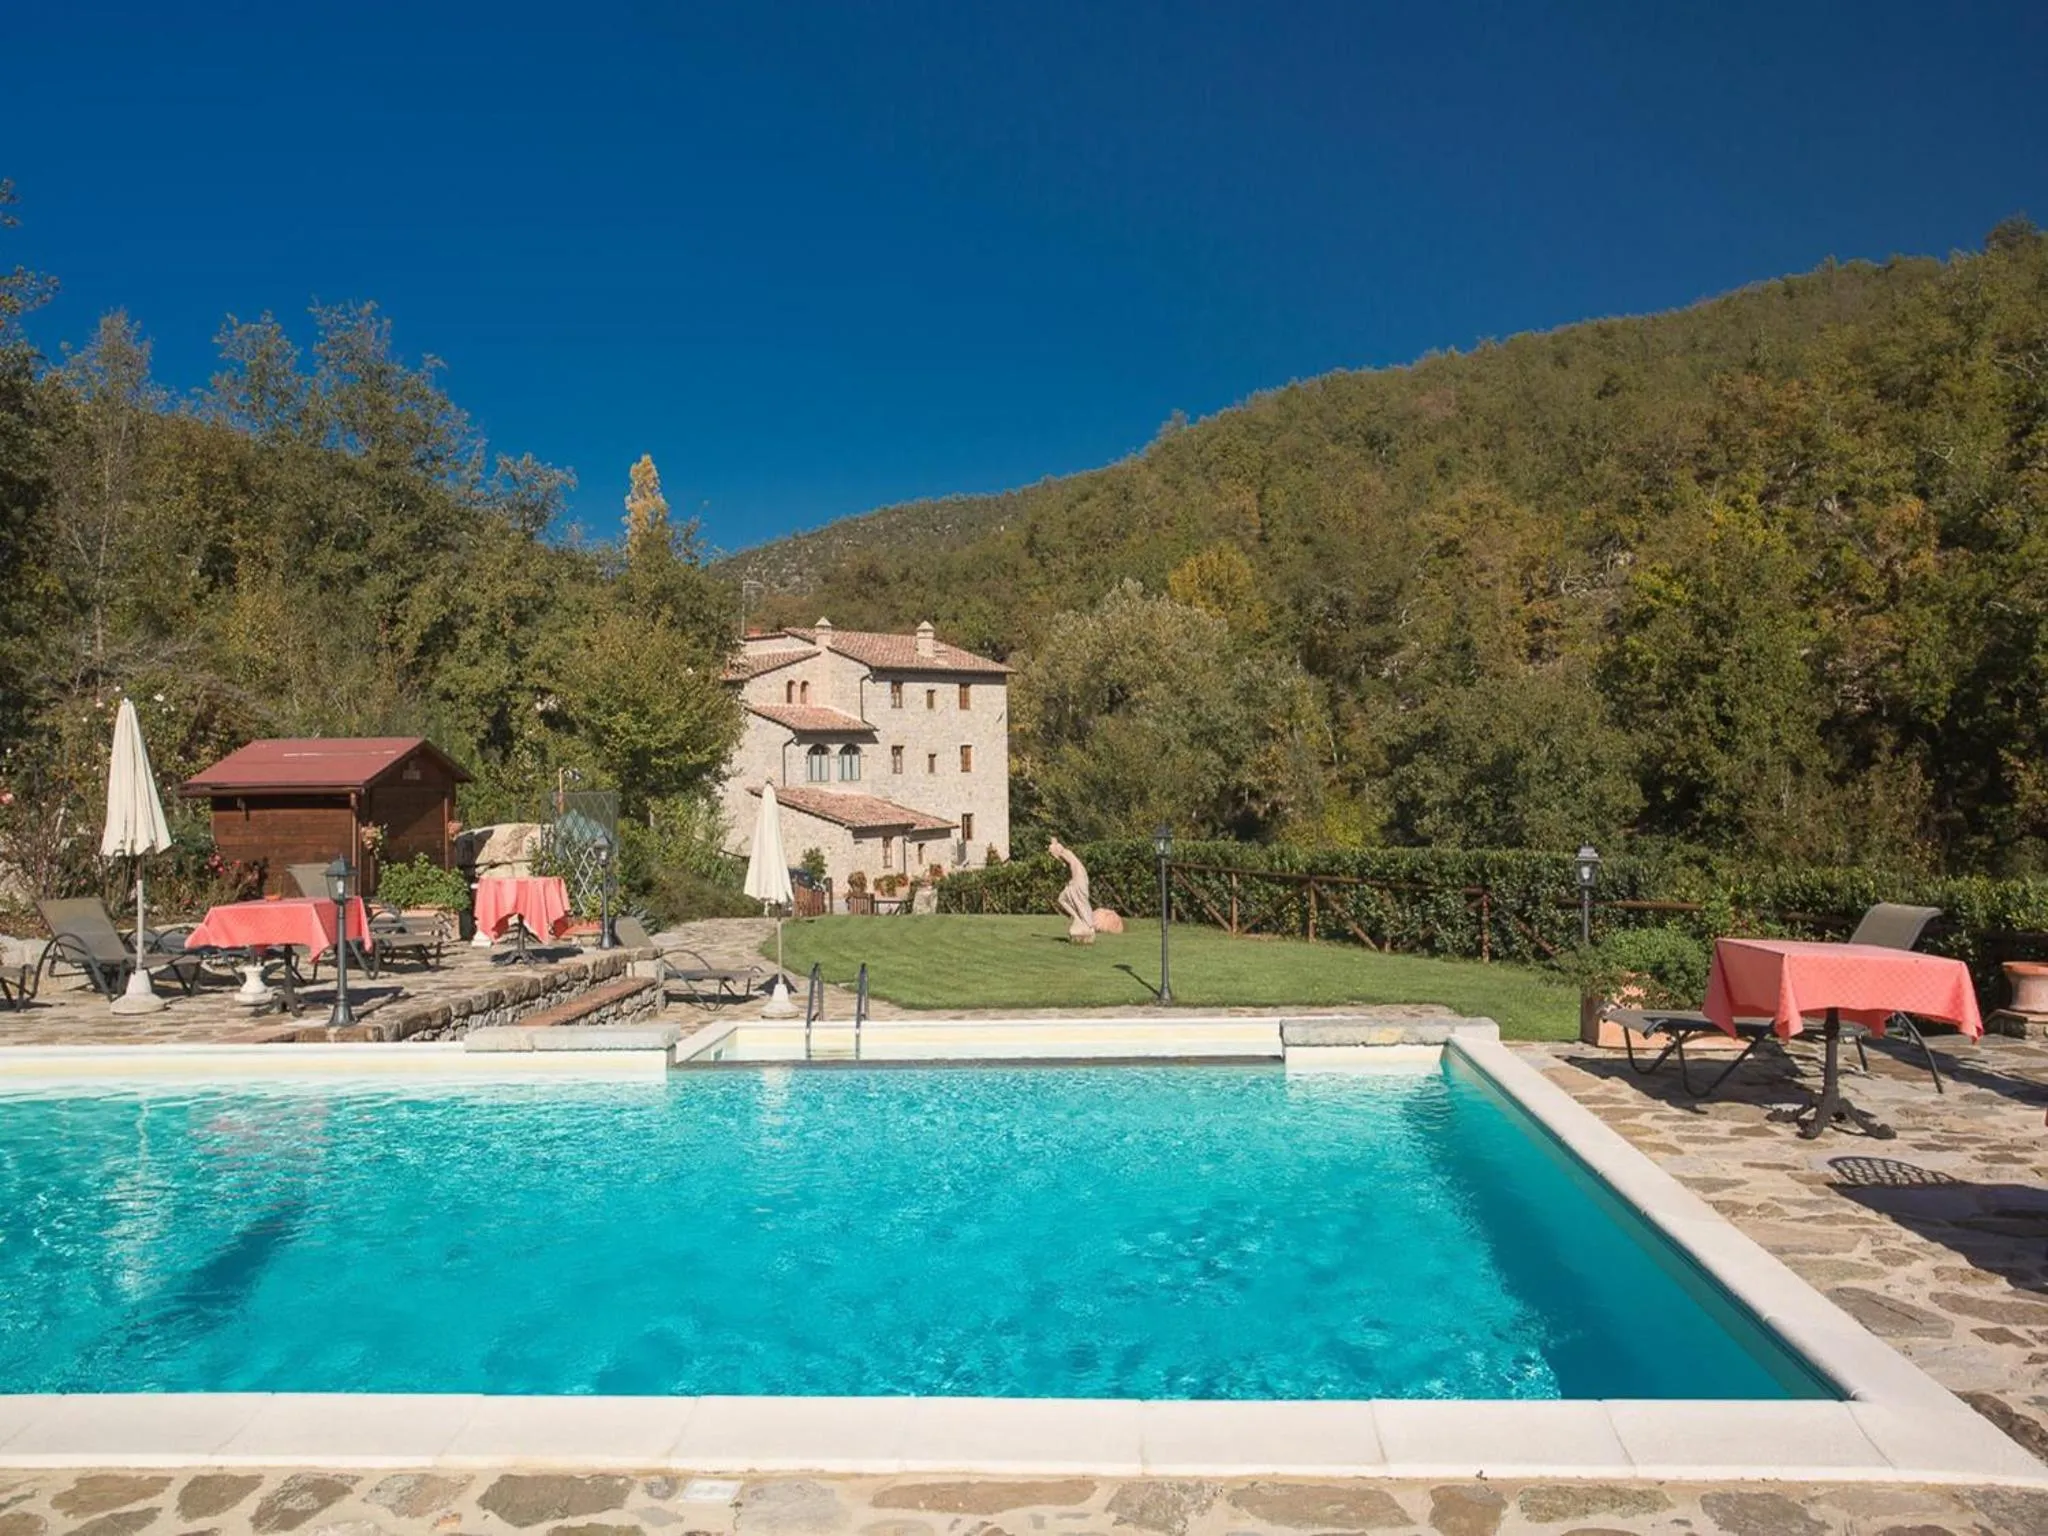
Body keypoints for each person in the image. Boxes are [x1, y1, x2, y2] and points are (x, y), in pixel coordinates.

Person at [1047, 837, 1095, 940]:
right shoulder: (1064, 854)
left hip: (1078, 879)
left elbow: (1073, 864)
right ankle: (1078, 918)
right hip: (1078, 878)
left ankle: (1087, 924)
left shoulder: (1064, 853)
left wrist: (1073, 879)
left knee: (1079, 901)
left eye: (1051, 853)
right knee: (1062, 899)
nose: (1052, 856)